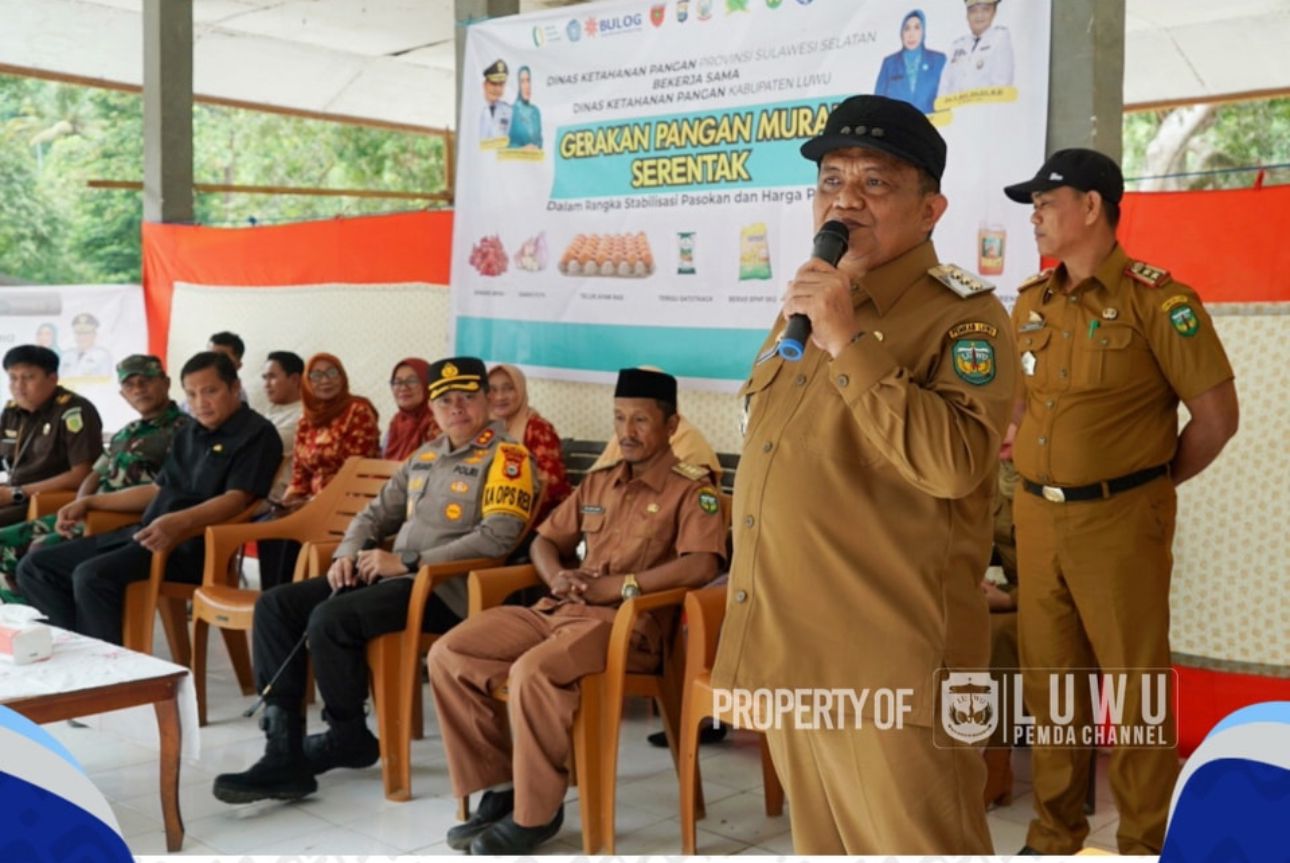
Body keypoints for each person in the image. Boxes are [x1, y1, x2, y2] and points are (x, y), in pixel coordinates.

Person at [709, 95, 1014, 855]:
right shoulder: (806, 306)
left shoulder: (964, 320)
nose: (845, 199)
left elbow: (954, 463)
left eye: (874, 183)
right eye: (831, 180)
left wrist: (851, 344)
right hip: (798, 650)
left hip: (893, 667)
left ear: (931, 207)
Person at [1002, 148, 1239, 856]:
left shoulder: (1159, 301)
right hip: (1037, 519)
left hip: (1121, 520)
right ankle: (1054, 835)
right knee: (1052, 689)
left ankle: (1142, 842)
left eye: (1047, 202)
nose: (1036, 217)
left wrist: (1148, 486)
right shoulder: (1030, 302)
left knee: (1135, 693)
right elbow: (1020, 407)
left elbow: (1218, 420)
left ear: (1093, 206)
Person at [211, 357, 537, 805]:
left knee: (332, 617)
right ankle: (282, 751)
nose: (456, 407)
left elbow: (497, 536)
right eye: (445, 400)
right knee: (277, 605)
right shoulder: (425, 457)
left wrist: (407, 560)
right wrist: (347, 554)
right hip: (393, 579)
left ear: (486, 401)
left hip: (448, 590)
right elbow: (372, 514)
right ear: (434, 406)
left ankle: (347, 734)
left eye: (467, 397)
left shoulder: (508, 458)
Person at [428, 368, 726, 855]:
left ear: (671, 426)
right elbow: (547, 538)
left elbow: (702, 564)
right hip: (560, 608)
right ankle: (502, 789)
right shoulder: (600, 482)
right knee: (450, 653)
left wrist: (623, 587)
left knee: (532, 672)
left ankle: (536, 813)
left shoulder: (693, 490)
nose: (626, 432)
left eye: (640, 421)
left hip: (627, 628)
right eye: (619, 419)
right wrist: (556, 576)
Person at [16, 352, 281, 644]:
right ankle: (76, 651)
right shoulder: (190, 433)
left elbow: (236, 499)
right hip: (145, 534)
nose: (200, 403)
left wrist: (177, 522)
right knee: (35, 567)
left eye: (211, 391)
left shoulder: (256, 434)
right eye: (192, 394)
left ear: (234, 387)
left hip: (189, 545)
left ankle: (110, 669)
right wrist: (89, 502)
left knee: (92, 576)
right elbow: (157, 490)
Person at [0, 356, 187, 601]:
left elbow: (166, 492)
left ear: (166, 382)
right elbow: (93, 475)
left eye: (146, 381)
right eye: (130, 385)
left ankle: (51, 620)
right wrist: (78, 506)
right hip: (90, 512)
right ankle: (28, 613)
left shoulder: (185, 432)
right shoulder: (127, 432)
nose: (138, 389)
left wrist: (90, 507)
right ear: (122, 394)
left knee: (40, 553)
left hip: (127, 521)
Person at [261, 353, 380, 590]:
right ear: (307, 381)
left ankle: (294, 602)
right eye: (316, 375)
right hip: (311, 503)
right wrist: (289, 503)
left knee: (296, 536)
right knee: (274, 530)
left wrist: (313, 504)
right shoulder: (307, 419)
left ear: (342, 376)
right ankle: (275, 605)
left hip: (349, 503)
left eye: (332, 373)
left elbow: (357, 469)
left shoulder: (358, 410)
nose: (325, 380)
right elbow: (300, 473)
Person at [0, 346, 104, 528]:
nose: (18, 386)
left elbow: (82, 474)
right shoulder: (11, 412)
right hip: (14, 495)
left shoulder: (74, 411)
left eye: (28, 377)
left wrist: (17, 493)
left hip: (48, 501)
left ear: (53, 378)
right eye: (13, 378)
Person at [487, 363, 569, 520]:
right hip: (491, 512)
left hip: (537, 516)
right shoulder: (485, 428)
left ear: (520, 390)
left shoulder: (537, 428)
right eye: (492, 389)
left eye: (508, 388)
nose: (499, 397)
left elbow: (551, 484)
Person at [874, 9, 947, 115]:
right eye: (907, 28)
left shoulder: (939, 60)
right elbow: (878, 103)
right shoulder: (889, 63)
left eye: (917, 28)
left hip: (934, 127)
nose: (911, 34)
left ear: (923, 31)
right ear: (901, 33)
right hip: (897, 127)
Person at [941, 0, 1015, 96]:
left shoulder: (1000, 39)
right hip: (955, 109)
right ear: (967, 15)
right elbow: (944, 87)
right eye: (973, 11)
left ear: (994, 12)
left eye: (985, 10)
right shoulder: (957, 46)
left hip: (985, 109)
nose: (979, 15)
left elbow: (1001, 86)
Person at [259, 351, 305, 504]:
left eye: (272, 377)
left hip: (275, 500)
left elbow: (262, 446)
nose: (266, 385)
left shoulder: (303, 415)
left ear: (294, 379)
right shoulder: (272, 410)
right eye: (264, 378)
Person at [384, 358, 441, 462]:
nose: (403, 387)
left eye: (412, 381)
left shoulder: (439, 421)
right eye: (397, 382)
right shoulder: (397, 422)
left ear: (427, 384)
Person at [61, 313, 114, 378]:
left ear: (94, 335)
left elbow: (106, 381)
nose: (82, 337)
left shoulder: (102, 356)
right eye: (79, 333)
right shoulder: (66, 355)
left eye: (86, 333)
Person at [206, 331, 249, 405]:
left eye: (221, 357)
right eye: (208, 356)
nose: (212, 362)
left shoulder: (237, 396)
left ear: (238, 365)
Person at [507, 66, 543, 150]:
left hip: (535, 161)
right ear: (518, 85)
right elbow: (504, 145)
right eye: (522, 81)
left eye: (528, 80)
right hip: (515, 162)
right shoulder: (511, 112)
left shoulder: (535, 112)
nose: (527, 86)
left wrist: (536, 147)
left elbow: (540, 142)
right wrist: (522, 149)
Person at [479, 60, 513, 142]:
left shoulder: (508, 111)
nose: (497, 89)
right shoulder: (475, 107)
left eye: (501, 85)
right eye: (494, 83)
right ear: (484, 84)